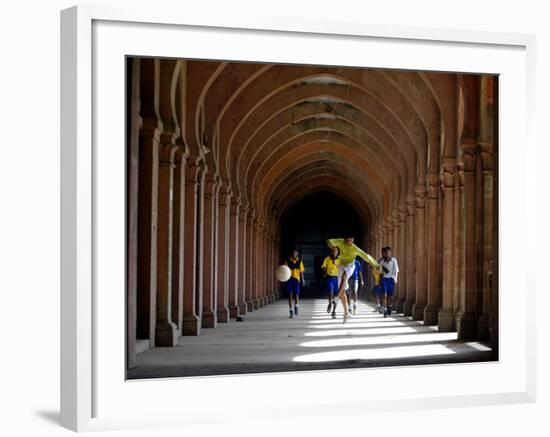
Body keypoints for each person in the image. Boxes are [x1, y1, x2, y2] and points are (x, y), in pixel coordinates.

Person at [326, 236, 379, 323]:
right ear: (345, 239)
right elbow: (329, 240)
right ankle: (346, 313)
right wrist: (333, 246)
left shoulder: (355, 249)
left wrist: (376, 265)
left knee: (344, 276)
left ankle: (336, 297)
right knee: (342, 291)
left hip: (350, 265)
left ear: (353, 240)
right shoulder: (340, 242)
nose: (348, 242)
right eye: (347, 240)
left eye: (350, 240)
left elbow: (366, 256)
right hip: (341, 265)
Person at [379, 246, 399, 317]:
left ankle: (389, 306)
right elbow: (380, 272)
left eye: (388, 252)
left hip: (391, 279)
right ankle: (385, 310)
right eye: (386, 252)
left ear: (390, 253)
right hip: (384, 279)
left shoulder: (394, 260)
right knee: (385, 295)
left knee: (390, 296)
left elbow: (396, 270)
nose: (387, 253)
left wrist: (395, 279)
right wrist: (379, 282)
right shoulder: (382, 262)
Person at [321, 245, 341, 319]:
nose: (334, 252)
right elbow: (323, 266)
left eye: (336, 251)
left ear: (338, 252)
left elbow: (341, 268)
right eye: (333, 250)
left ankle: (334, 311)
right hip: (329, 278)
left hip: (337, 278)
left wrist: (336, 264)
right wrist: (325, 272)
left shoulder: (340, 260)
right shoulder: (327, 259)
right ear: (331, 252)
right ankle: (330, 303)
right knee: (330, 292)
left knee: (336, 296)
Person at [285, 248, 305, 318]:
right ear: (291, 254)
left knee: (296, 295)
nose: (294, 254)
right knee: (290, 295)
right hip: (289, 279)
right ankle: (291, 311)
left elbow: (301, 272)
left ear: (297, 254)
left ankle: (296, 306)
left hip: (296, 280)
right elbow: (284, 271)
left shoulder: (300, 262)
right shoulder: (287, 261)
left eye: (295, 253)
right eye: (293, 253)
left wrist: (303, 279)